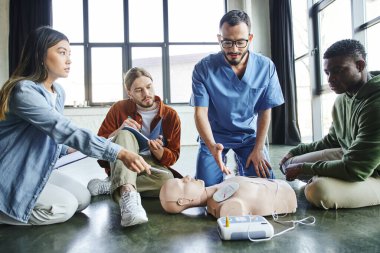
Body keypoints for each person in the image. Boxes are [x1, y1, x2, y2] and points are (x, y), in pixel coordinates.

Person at [0, 27, 152, 226]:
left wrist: (107, 140)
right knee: (65, 207)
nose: (69, 60)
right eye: (62, 52)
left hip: (36, 168)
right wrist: (119, 152)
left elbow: (57, 141)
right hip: (13, 172)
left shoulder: (58, 92)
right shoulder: (24, 91)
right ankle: (5, 210)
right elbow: (63, 129)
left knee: (83, 199)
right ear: (39, 55)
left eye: (69, 54)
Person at [280, 39, 380, 209]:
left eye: (338, 71)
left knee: (318, 191)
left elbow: (355, 169)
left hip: (368, 171)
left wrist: (307, 168)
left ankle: (333, 183)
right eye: (327, 72)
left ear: (360, 66)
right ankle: (334, 180)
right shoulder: (342, 99)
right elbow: (332, 140)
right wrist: (294, 152)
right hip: (353, 159)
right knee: (290, 164)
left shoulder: (376, 105)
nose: (330, 79)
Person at [190, 10, 284, 186]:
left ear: (250, 38)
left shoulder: (265, 67)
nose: (234, 49)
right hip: (214, 136)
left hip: (248, 136)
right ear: (219, 39)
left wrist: (258, 148)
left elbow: (265, 111)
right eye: (227, 42)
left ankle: (242, 167)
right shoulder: (203, 68)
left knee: (264, 186)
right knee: (206, 187)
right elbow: (200, 113)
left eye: (240, 42)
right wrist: (211, 146)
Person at [87, 67, 181, 226]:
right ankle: (128, 195)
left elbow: (173, 156)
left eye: (149, 87)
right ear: (129, 93)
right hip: (123, 161)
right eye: (139, 90)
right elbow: (98, 146)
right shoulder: (118, 109)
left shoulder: (170, 115)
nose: (146, 94)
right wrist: (118, 131)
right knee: (125, 134)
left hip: (149, 167)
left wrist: (159, 152)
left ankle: (113, 184)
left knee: (168, 180)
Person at [159, 176, 297, 218]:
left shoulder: (219, 188)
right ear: (182, 201)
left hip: (281, 185)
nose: (187, 177)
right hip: (287, 196)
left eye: (182, 178)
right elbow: (237, 210)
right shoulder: (223, 207)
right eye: (183, 183)